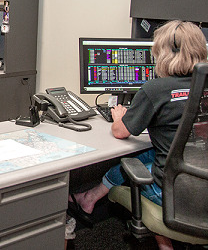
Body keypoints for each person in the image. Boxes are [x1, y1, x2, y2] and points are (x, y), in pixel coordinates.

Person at [70, 20, 207, 250]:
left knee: (129, 163)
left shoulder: (155, 89)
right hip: (201, 187)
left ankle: (164, 243)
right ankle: (90, 198)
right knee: (148, 156)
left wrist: (118, 116)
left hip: (172, 196)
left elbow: (121, 132)